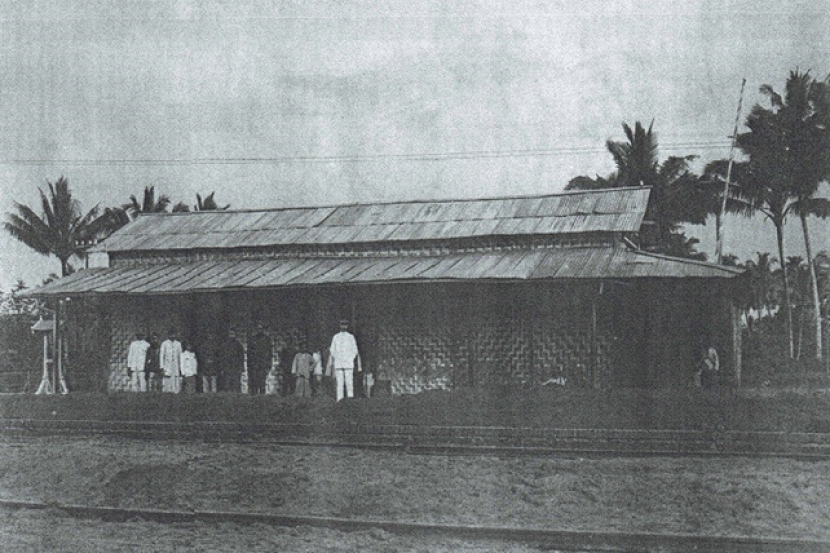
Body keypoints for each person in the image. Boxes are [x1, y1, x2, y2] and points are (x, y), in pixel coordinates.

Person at [327, 319, 362, 402]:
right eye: (342, 325)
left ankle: (350, 400)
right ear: (339, 325)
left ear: (347, 326)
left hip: (348, 363)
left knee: (349, 382)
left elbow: (355, 350)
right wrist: (337, 358)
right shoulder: (336, 337)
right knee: (340, 383)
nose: (343, 326)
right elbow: (332, 350)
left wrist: (350, 358)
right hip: (339, 363)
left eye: (345, 325)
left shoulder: (351, 337)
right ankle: (339, 400)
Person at [246, 323, 271, 395]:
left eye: (261, 328)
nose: (259, 330)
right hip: (254, 364)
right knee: (254, 384)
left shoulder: (267, 340)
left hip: (263, 364)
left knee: (262, 383)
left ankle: (262, 399)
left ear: (263, 329)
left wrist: (269, 365)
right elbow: (249, 353)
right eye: (258, 328)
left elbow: (269, 353)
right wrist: (249, 365)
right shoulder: (252, 339)